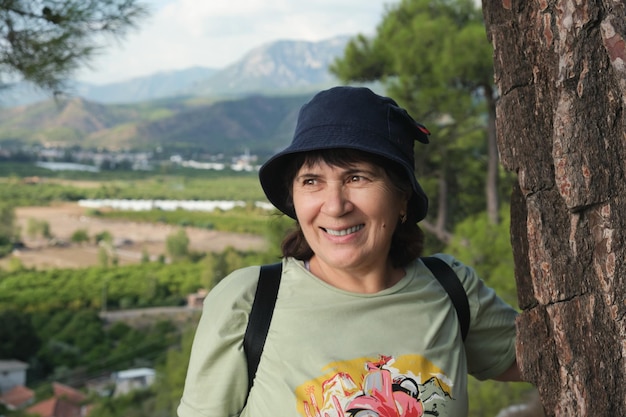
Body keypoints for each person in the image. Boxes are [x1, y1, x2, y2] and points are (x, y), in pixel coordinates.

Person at [177, 86, 521, 417]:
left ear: (402, 198)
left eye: (357, 178)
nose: (335, 206)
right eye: (312, 181)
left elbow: (557, 359)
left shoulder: (451, 289)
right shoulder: (248, 303)